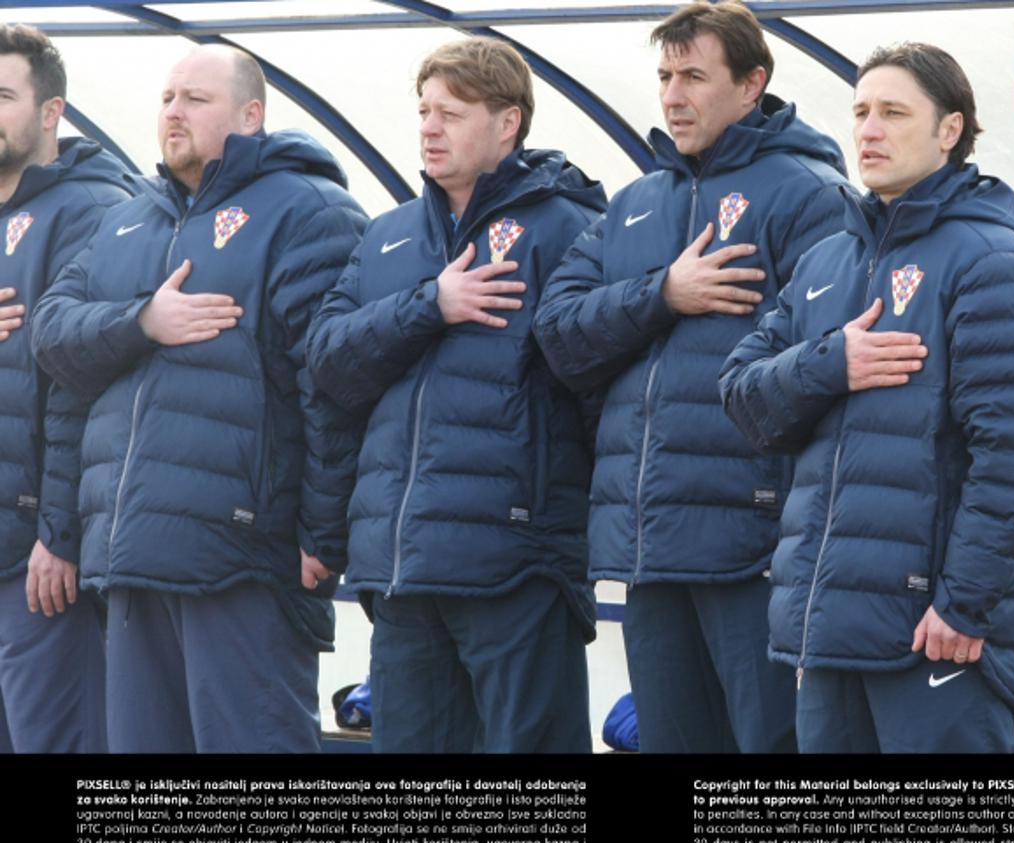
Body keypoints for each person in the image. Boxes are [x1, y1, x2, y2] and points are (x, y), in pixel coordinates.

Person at [720, 42, 1014, 753]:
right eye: (861, 112)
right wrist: (830, 363)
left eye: (893, 113)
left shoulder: (991, 258)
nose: (869, 130)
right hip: (823, 630)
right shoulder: (826, 260)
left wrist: (963, 606)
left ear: (948, 130)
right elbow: (742, 398)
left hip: (932, 635)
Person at [533, 0, 849, 754]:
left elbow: (829, 357)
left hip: (755, 540)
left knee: (770, 746)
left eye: (695, 76)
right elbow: (557, 334)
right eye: (666, 76)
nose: (673, 95)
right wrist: (661, 295)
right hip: (649, 541)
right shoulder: (638, 201)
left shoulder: (809, 193)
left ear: (751, 84)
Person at [30, 44, 366, 753]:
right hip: (127, 550)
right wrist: (142, 322)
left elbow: (332, 386)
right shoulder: (128, 219)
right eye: (166, 98)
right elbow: (53, 337)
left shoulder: (309, 211)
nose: (172, 112)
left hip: (242, 554)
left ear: (251, 115)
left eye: (195, 99)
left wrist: (323, 532)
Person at [306, 38, 606, 753]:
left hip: (516, 561)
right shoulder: (389, 237)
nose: (430, 128)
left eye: (453, 112)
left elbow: (599, 386)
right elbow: (326, 362)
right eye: (424, 111)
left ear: (509, 124)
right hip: (402, 567)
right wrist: (428, 305)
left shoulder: (569, 228)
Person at [0, 24, 131, 753]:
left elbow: (82, 384)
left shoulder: (94, 210)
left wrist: (62, 532)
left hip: (36, 557)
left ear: (51, 112)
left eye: (2, 96)